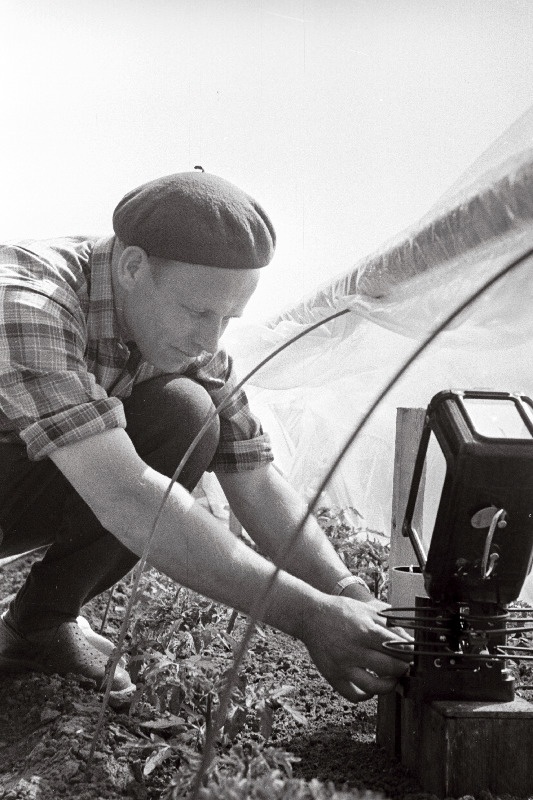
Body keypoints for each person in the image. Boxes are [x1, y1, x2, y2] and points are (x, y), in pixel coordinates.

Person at [0, 170, 410, 702]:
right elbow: (125, 495)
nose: (208, 339)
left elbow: (255, 480)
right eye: (197, 312)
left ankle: (37, 628)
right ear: (132, 268)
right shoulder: (27, 305)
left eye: (226, 317)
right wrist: (309, 616)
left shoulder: (182, 335)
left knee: (186, 413)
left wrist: (347, 594)